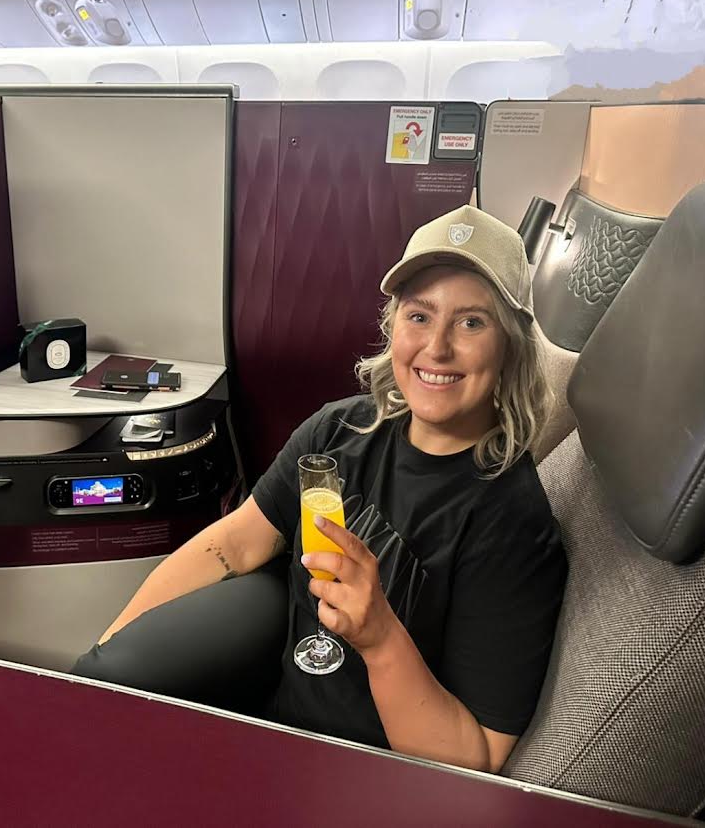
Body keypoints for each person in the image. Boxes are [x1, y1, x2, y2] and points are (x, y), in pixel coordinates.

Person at [73, 205, 567, 774]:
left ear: (511, 347)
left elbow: (474, 756)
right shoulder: (339, 431)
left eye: (472, 323)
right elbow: (234, 543)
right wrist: (101, 665)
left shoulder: (513, 525)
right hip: (272, 722)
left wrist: (380, 639)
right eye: (419, 316)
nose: (436, 348)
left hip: (362, 776)